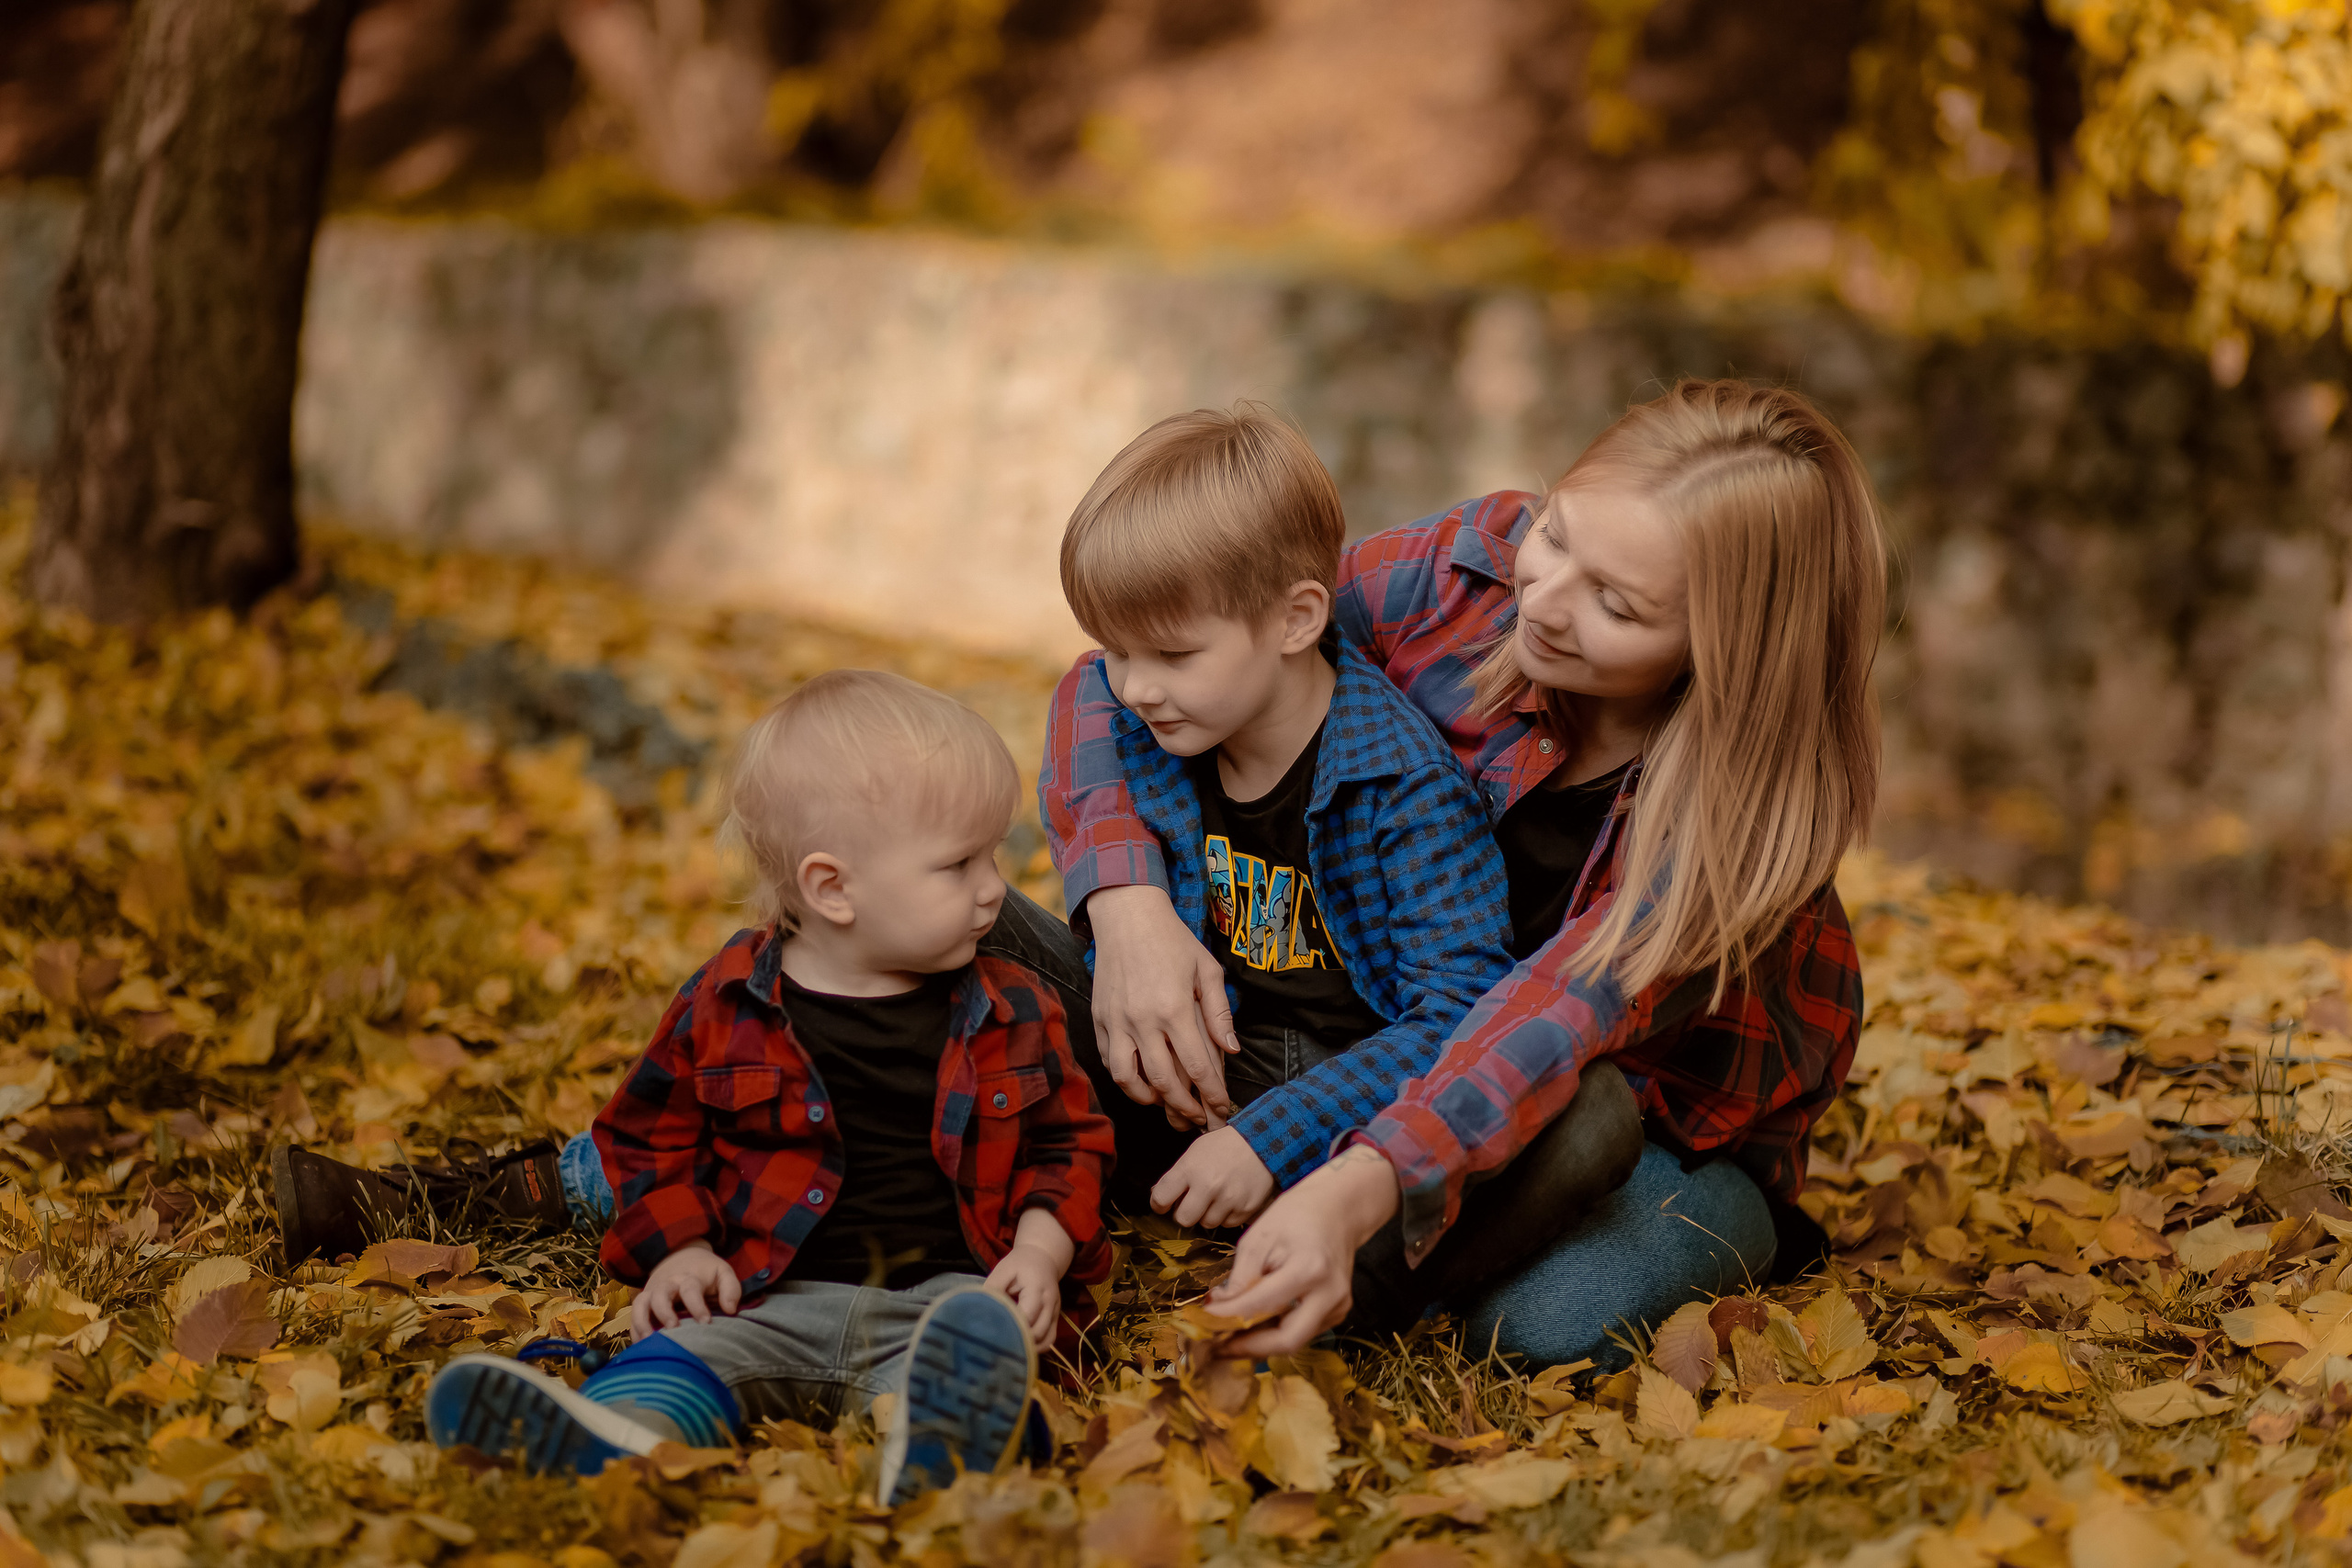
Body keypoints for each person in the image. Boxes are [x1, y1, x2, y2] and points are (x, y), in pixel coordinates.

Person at [1043, 379, 1883, 1367]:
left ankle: (1727, 1232)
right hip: (1397, 1031)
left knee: (1542, 1311)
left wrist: (1356, 1179)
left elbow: (1545, 1023)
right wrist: (1128, 904)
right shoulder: (1456, 579)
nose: (1544, 603)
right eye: (1558, 535)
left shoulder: (1731, 828)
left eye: (1616, 604)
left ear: (1726, 650)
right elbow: (1153, 652)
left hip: (1634, 1111)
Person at [422, 671, 1115, 1501]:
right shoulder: (728, 1000)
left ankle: (954, 1443)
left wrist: (1041, 1252)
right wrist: (680, 1252)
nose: (994, 887)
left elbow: (1069, 1141)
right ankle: (615, 1432)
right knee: (684, 1353)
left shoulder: (1015, 1006)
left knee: (984, 1358)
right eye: (959, 863)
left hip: (947, 1303)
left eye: (993, 854)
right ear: (832, 888)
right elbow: (646, 1136)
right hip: (763, 1292)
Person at [1005, 403, 1636, 1242]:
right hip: (1183, 1043)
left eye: (1171, 655)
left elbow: (1455, 1013)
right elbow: (1086, 699)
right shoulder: (1158, 715)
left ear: (1298, 619)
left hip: (1335, 1090)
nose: (1133, 687)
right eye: (1117, 651)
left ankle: (1234, 1199)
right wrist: (1127, 909)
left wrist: (1270, 1136)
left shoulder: (1405, 788)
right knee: (963, 916)